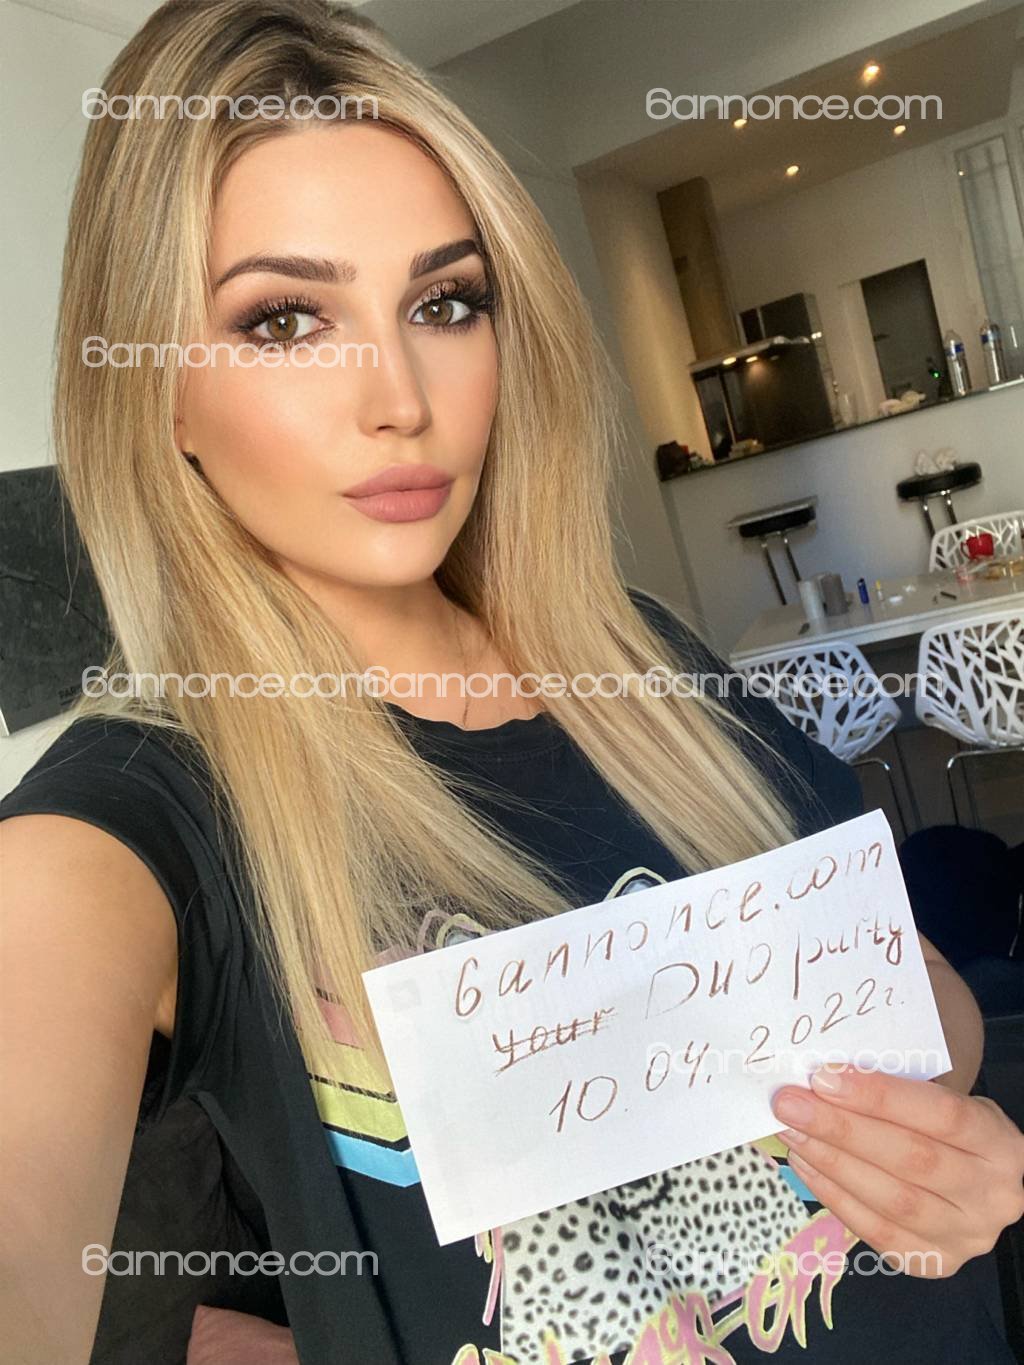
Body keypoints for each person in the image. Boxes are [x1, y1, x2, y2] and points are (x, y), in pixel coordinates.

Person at [2, 3, 1022, 1363]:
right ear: (161, 392)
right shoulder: (145, 813)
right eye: (286, 319)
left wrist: (949, 1147)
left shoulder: (642, 656)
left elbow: (919, 997)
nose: (401, 397)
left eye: (444, 303)